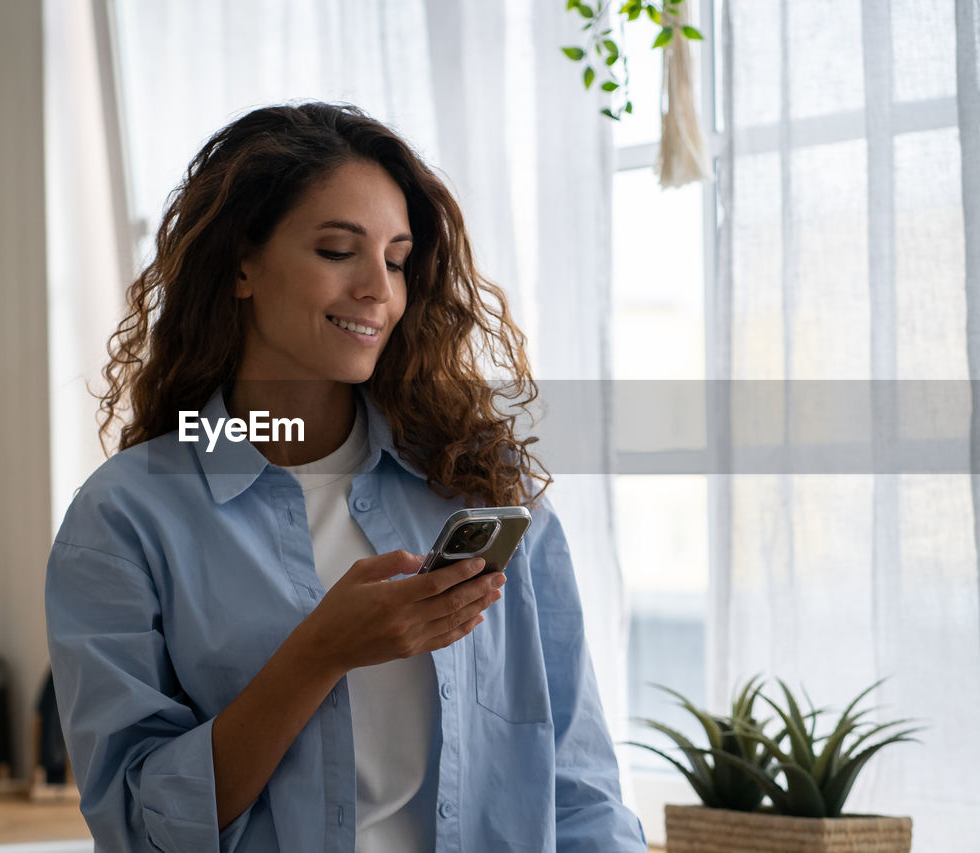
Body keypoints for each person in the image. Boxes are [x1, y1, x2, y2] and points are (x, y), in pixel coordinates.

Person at [45, 102, 646, 852]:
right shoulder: (126, 516)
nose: (379, 290)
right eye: (338, 251)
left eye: (396, 260)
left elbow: (579, 790)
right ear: (240, 265)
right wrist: (319, 651)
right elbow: (140, 827)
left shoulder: (480, 483)